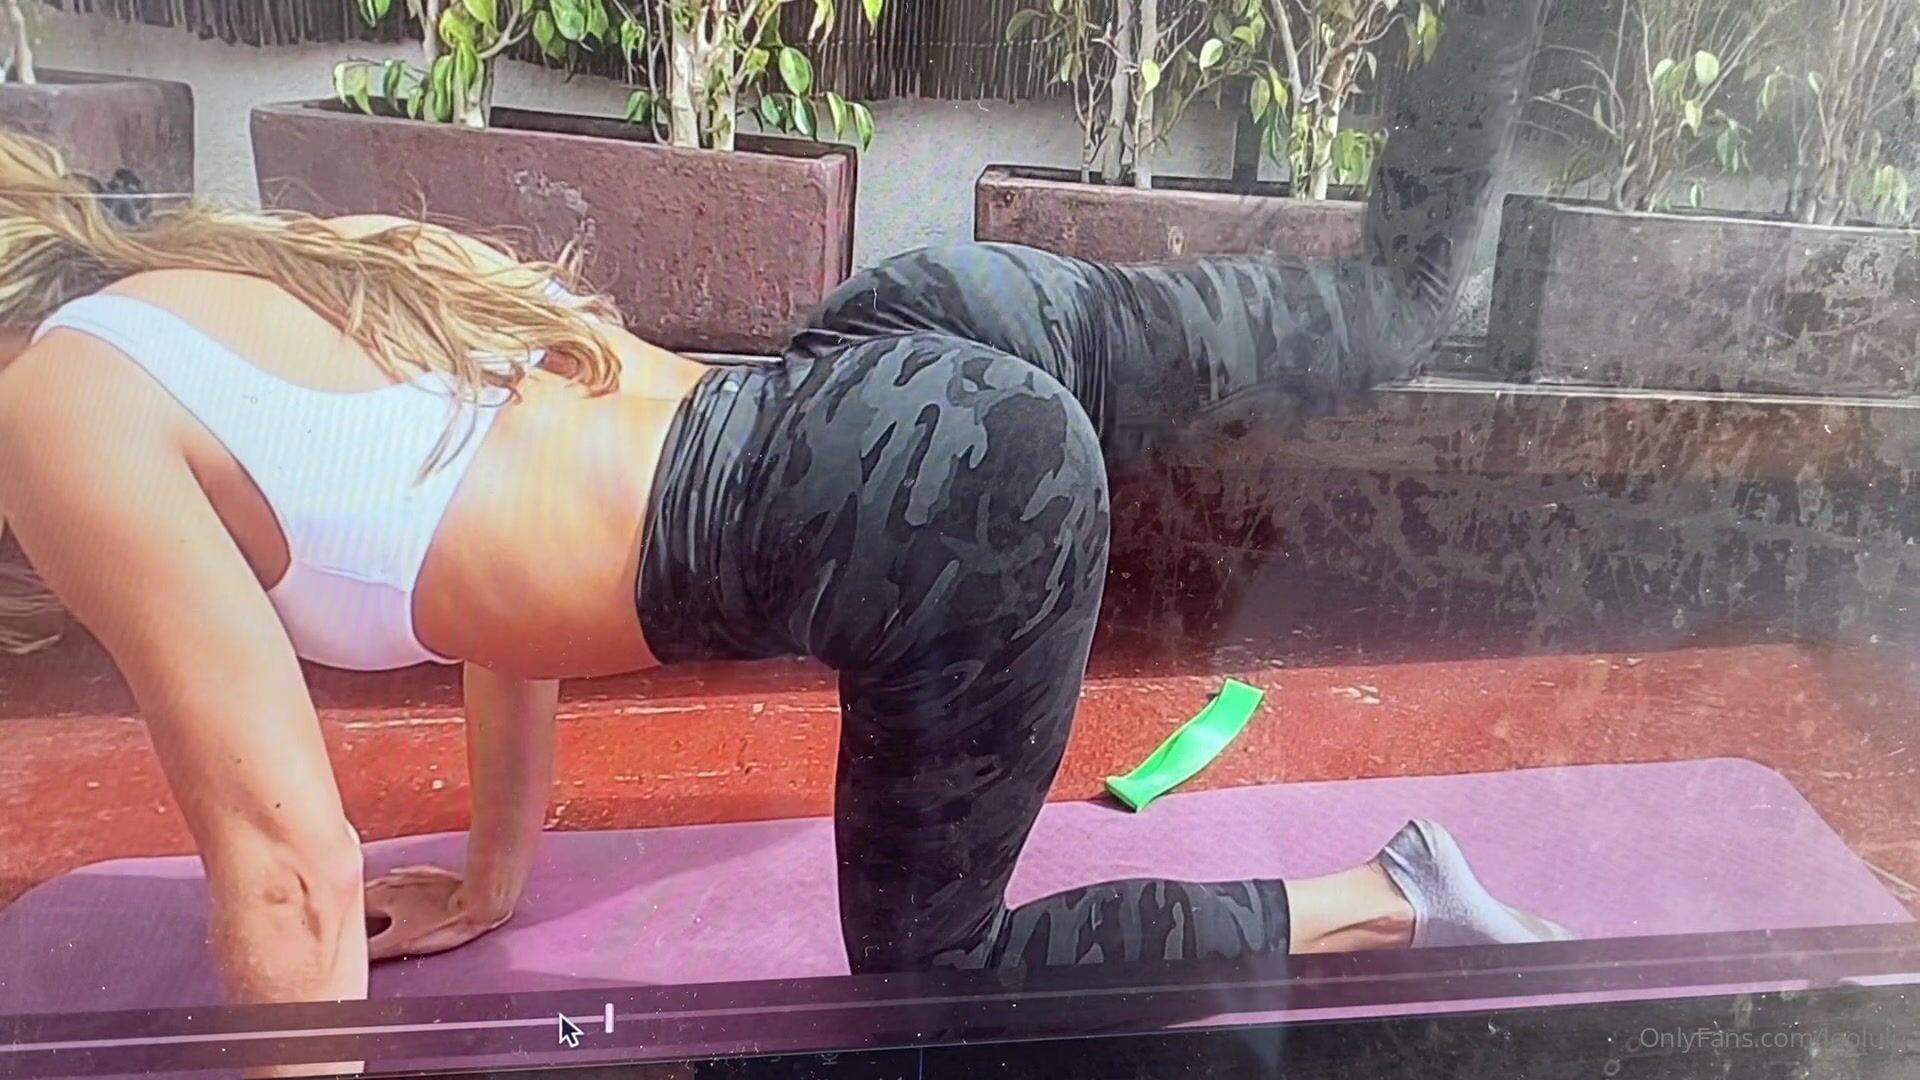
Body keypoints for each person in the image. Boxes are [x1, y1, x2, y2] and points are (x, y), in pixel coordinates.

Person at [0, 0, 1555, 1063]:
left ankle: (1393, 900)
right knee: (1397, 306)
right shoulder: (229, 273)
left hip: (925, 479)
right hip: (919, 337)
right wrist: (492, 872)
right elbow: (472, 540)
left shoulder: (59, 407)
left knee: (934, 986)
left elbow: (288, 877)